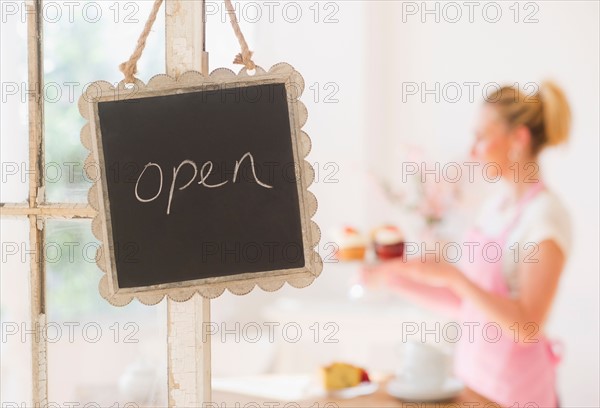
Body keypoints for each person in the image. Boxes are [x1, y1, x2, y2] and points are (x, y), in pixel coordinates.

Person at [362, 81, 572, 407]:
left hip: (516, 393)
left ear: (519, 138)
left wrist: (453, 277)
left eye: (481, 137)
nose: (473, 150)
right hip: (473, 385)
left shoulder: (545, 217)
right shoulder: (495, 207)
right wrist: (390, 279)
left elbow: (528, 327)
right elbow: (467, 305)